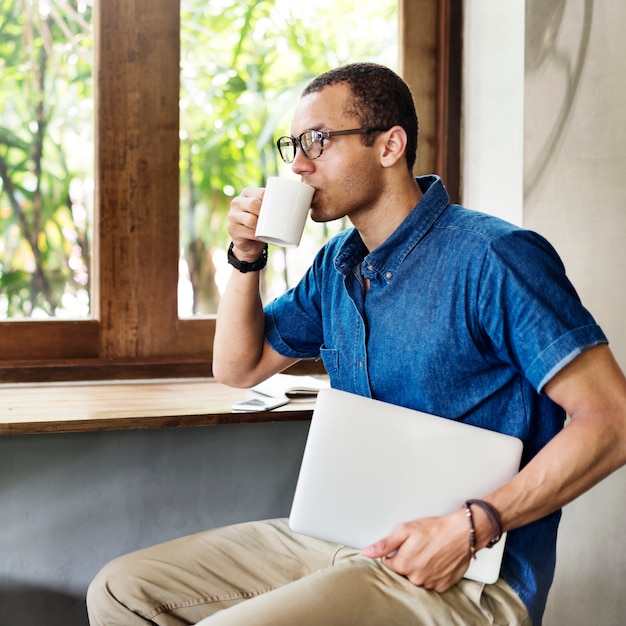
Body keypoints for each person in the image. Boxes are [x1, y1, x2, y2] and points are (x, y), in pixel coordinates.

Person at [87, 62, 626, 626]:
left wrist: (472, 525)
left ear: (390, 145)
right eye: (293, 145)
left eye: (318, 141)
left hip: (468, 572)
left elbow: (609, 420)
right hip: (345, 539)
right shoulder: (337, 267)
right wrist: (246, 257)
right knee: (121, 591)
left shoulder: (495, 258)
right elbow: (237, 367)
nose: (298, 163)